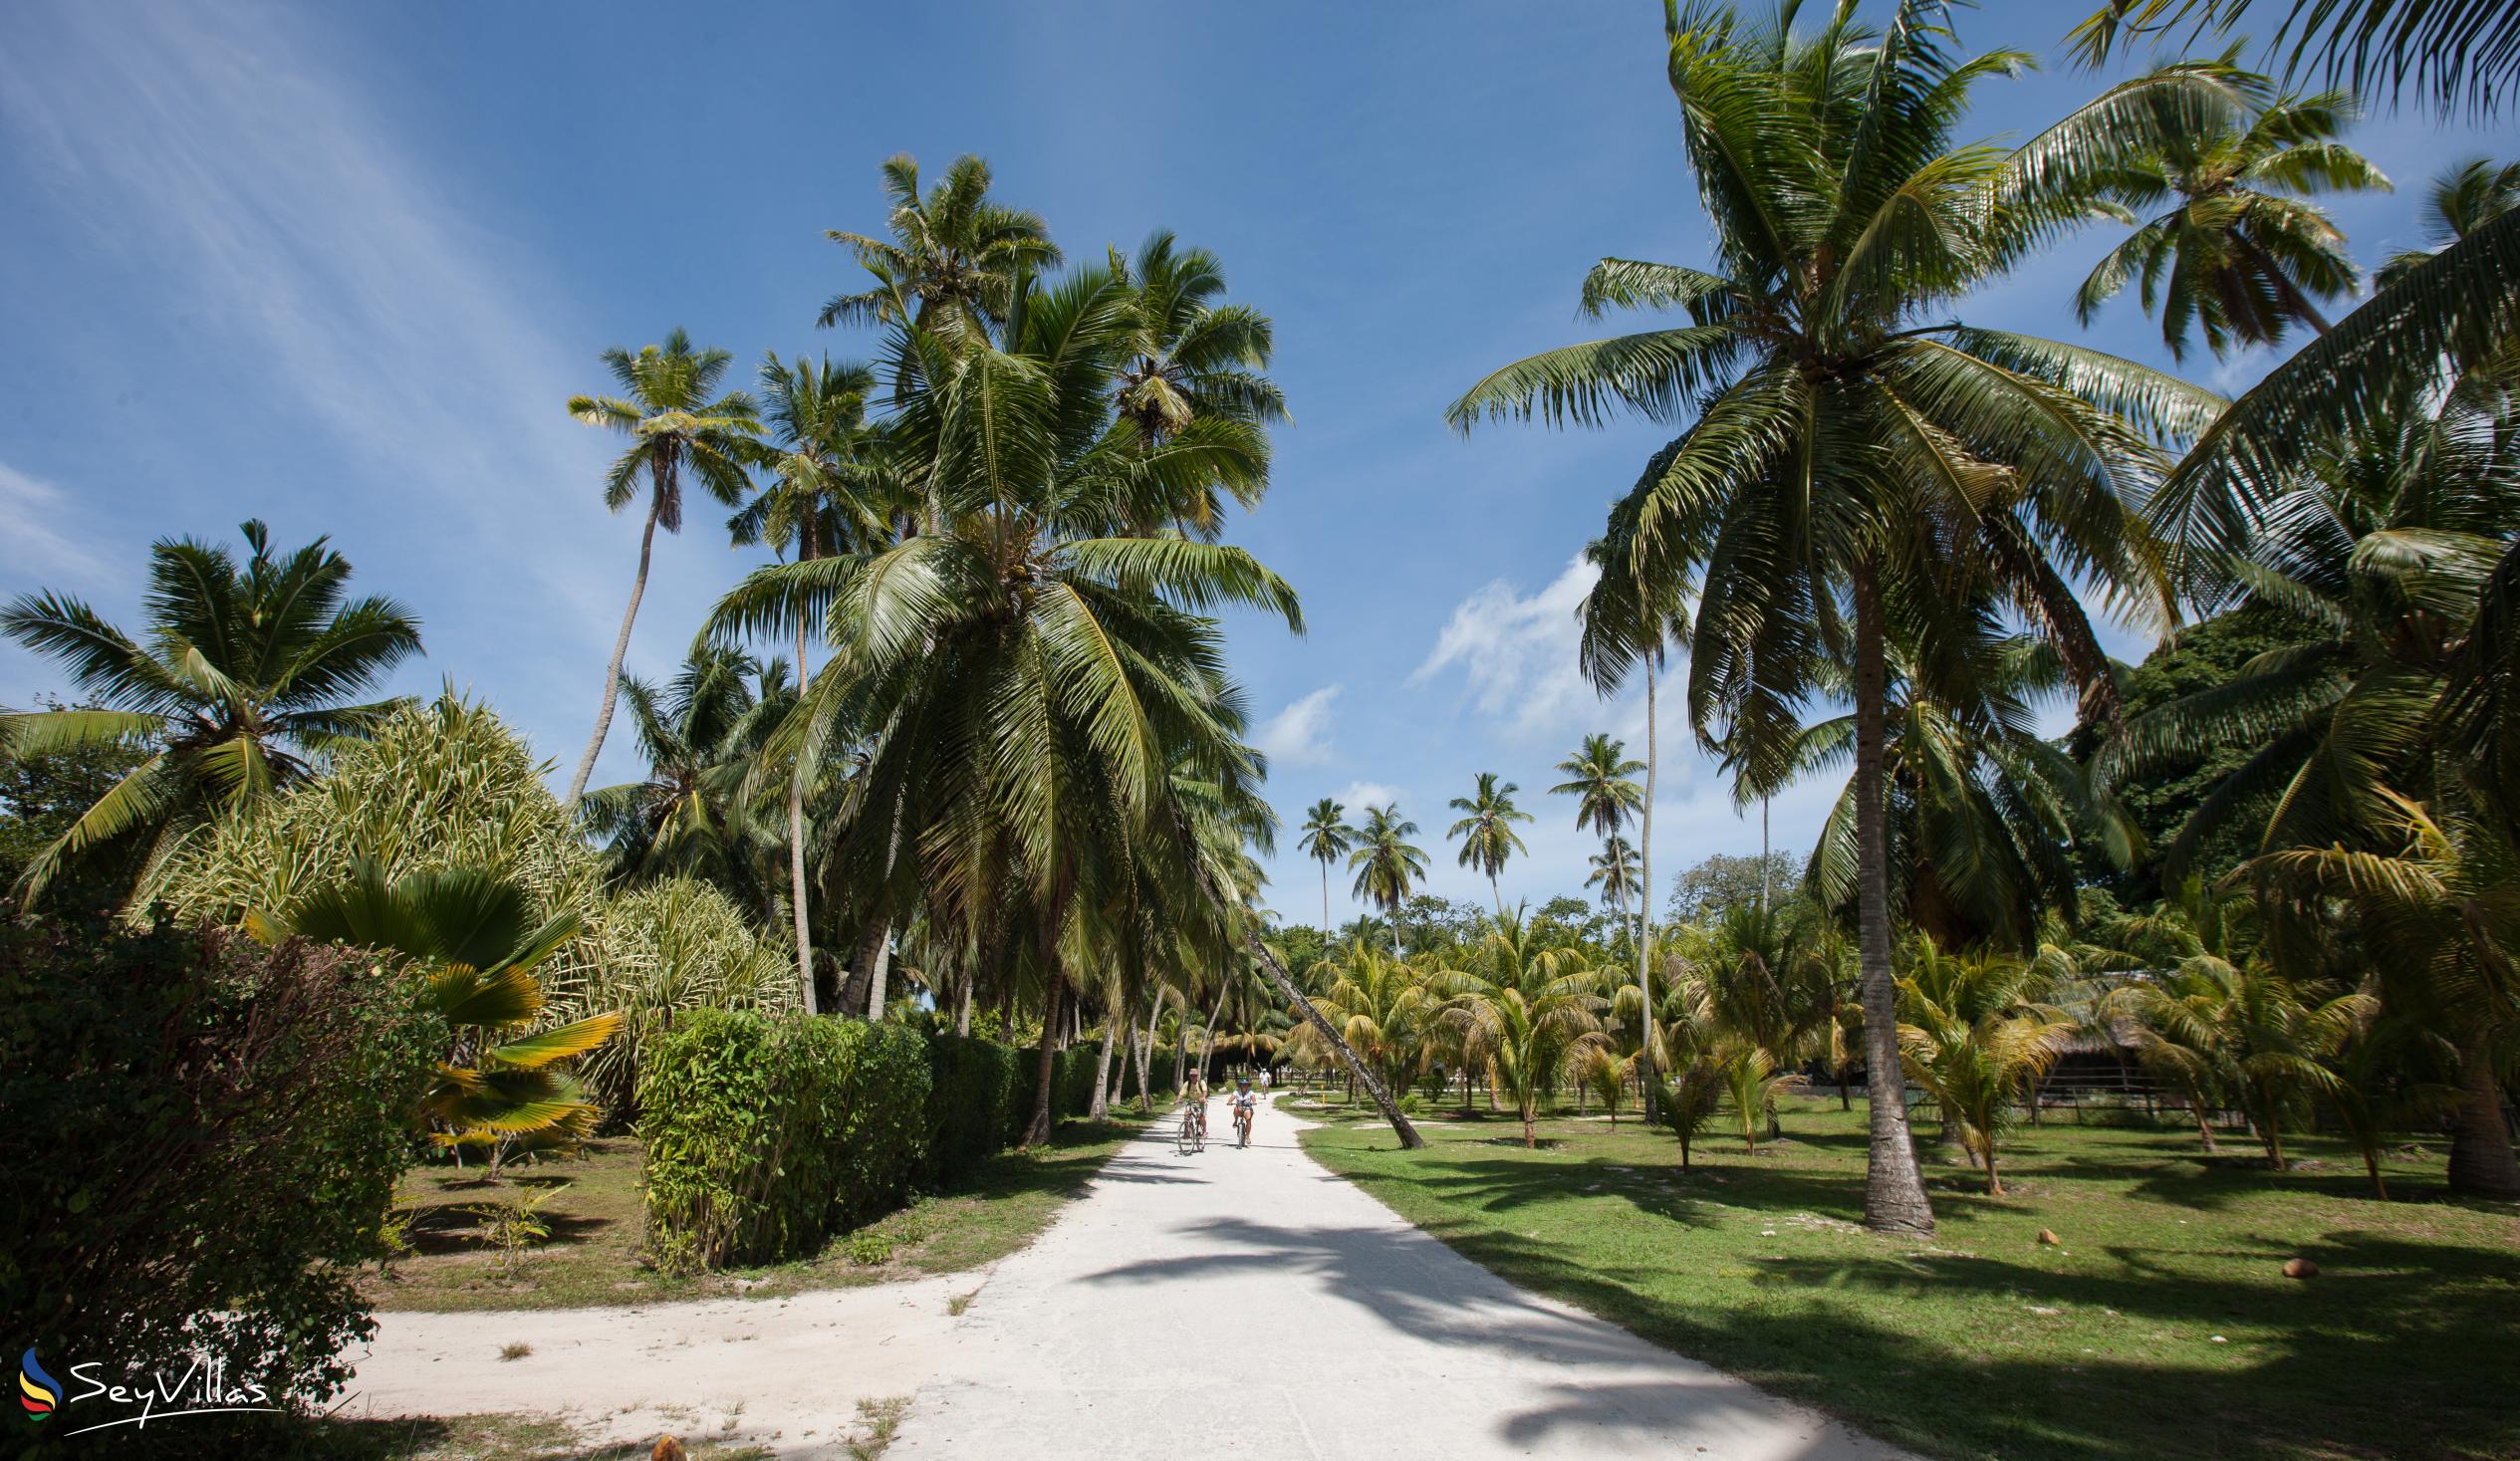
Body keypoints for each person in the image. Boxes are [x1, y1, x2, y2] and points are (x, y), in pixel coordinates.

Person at [1180, 1068, 1209, 1140]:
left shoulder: (1201, 1082)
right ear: (1190, 1076)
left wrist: (1203, 1097)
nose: (1193, 1077)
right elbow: (1181, 1093)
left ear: (1197, 1076)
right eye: (1192, 1076)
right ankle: (1187, 1131)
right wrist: (1177, 1100)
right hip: (1192, 1102)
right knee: (1186, 1114)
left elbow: (1205, 1091)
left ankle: (1205, 1132)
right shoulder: (1187, 1083)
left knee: (1201, 1116)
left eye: (1195, 1075)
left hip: (1202, 1102)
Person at [1228, 1078, 1258, 1146]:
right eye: (1243, 1084)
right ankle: (1235, 1121)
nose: (1244, 1085)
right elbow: (1232, 1097)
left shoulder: (1250, 1092)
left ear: (1248, 1085)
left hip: (1247, 1108)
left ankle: (1247, 1136)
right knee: (1236, 1109)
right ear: (1240, 1085)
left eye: (1246, 1084)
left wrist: (1254, 1102)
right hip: (1239, 1107)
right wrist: (1229, 1102)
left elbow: (1253, 1098)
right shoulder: (1237, 1091)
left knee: (1248, 1120)